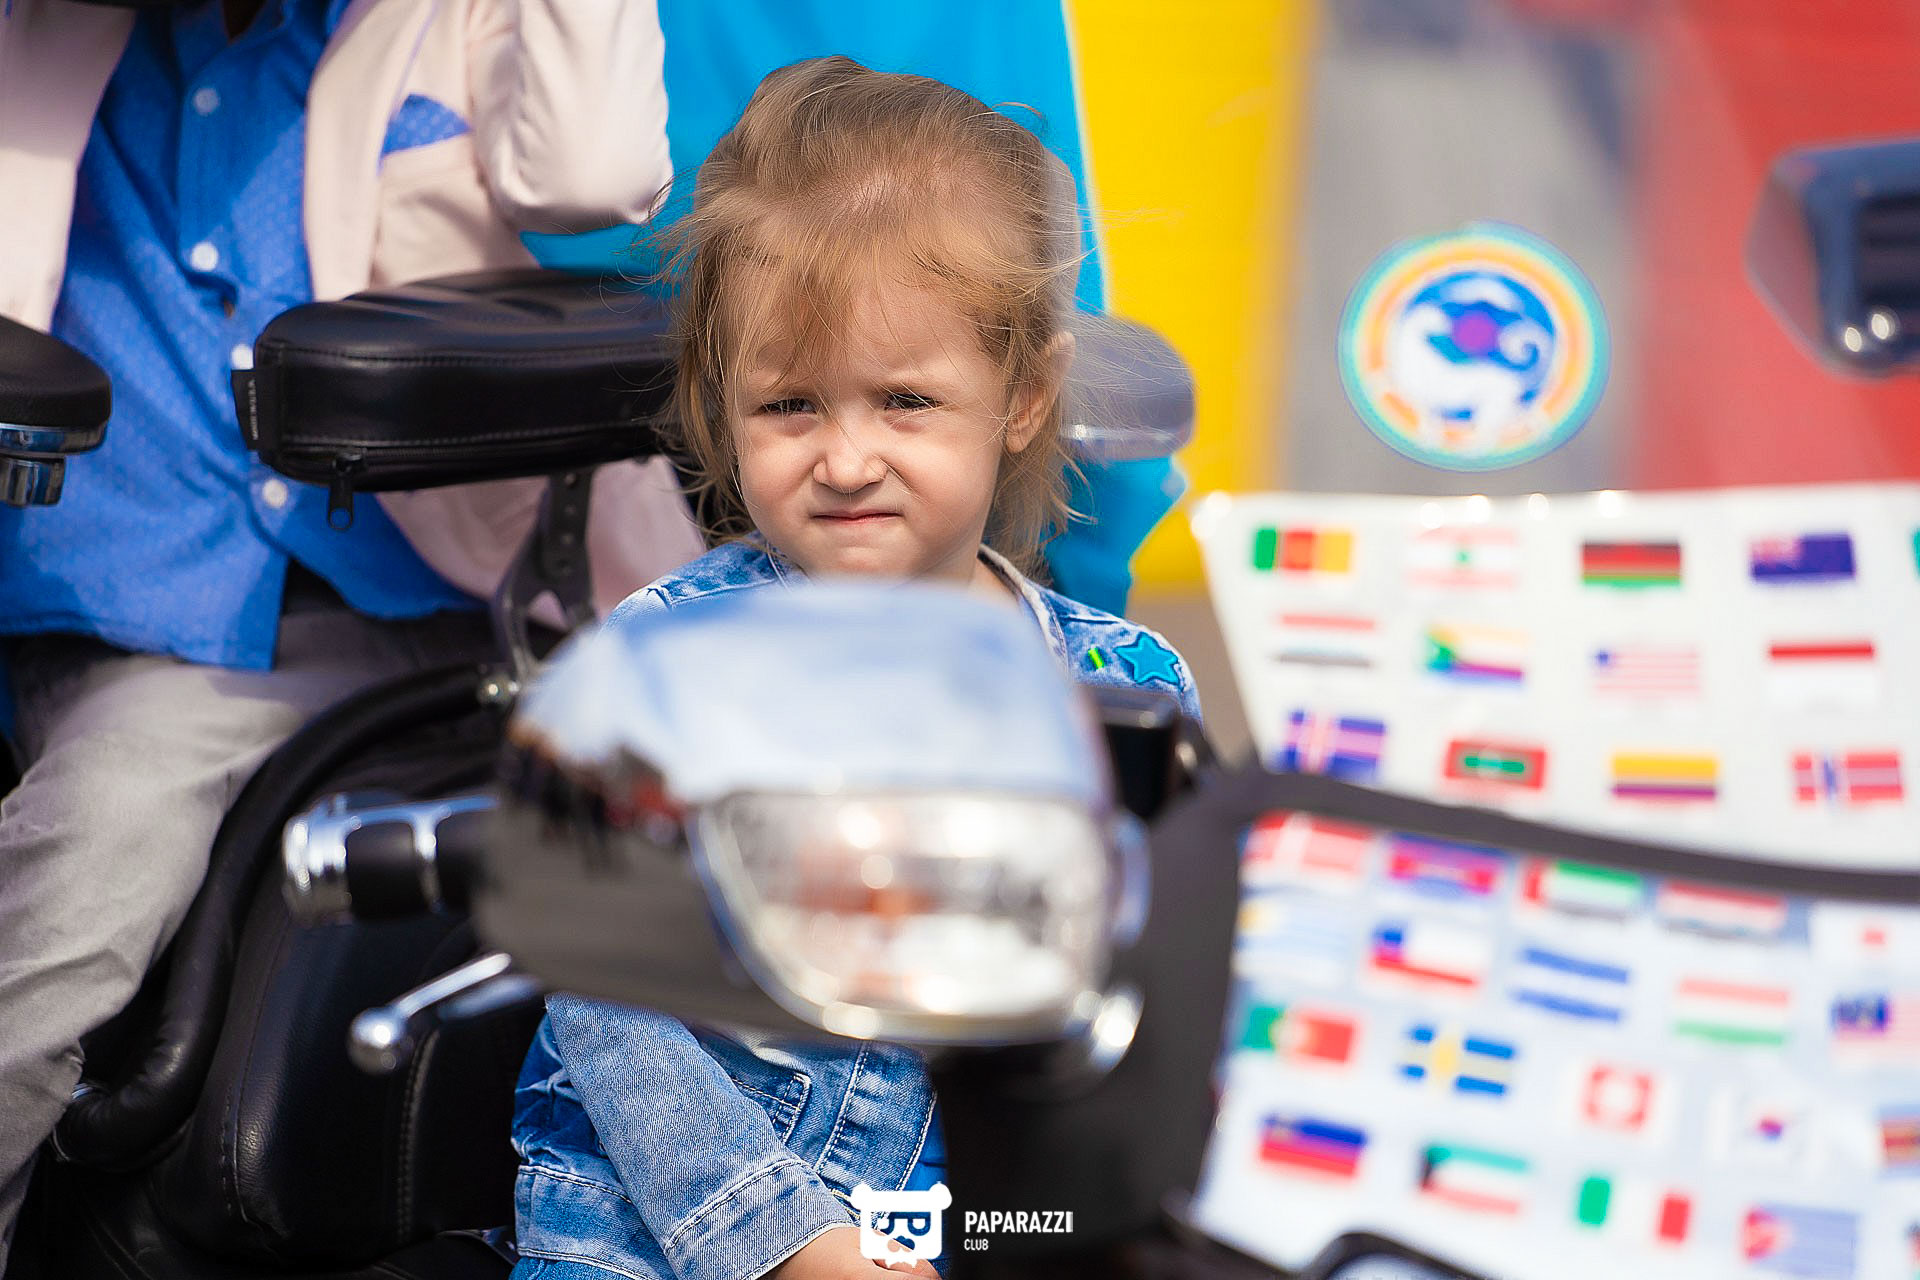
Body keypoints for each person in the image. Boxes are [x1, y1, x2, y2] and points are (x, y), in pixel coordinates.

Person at [0, 0, 695, 1265]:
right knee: (90, 860)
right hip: (139, 625)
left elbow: (593, 171)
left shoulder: (445, 19)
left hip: (455, 601)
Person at [509, 56, 1202, 1280]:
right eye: (790, 406)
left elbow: (1160, 1002)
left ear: (1024, 396)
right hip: (647, 1234)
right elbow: (607, 997)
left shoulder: (1127, 692)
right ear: (722, 400)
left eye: (904, 401)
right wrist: (786, 1240)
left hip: (963, 1229)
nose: (844, 460)